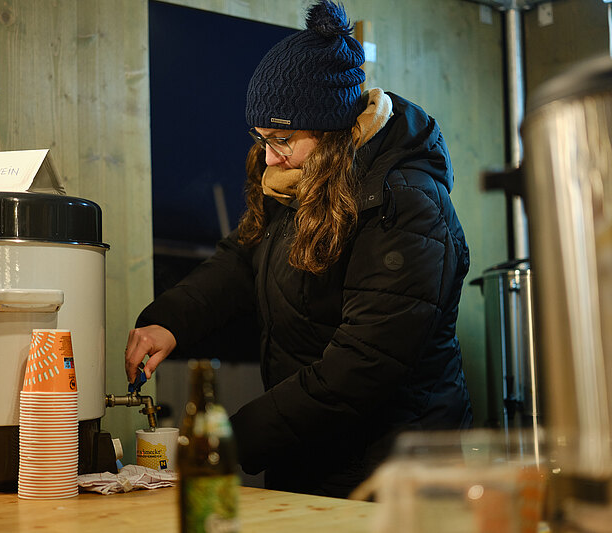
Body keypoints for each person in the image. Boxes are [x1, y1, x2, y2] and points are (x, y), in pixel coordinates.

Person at [125, 0, 472, 498]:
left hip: (393, 472)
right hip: (312, 454)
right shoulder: (300, 179)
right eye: (262, 138)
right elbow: (242, 259)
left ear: (331, 131)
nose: (269, 156)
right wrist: (169, 321)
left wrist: (230, 439)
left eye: (282, 138)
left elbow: (362, 366)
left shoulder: (405, 203)